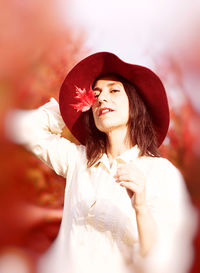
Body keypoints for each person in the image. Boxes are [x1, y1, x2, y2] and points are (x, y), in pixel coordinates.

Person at [6, 52, 197, 273]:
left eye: (114, 91)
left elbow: (162, 264)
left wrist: (141, 207)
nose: (102, 98)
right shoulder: (79, 160)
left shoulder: (161, 172)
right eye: (95, 95)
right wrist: (69, 107)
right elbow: (19, 128)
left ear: (135, 104)